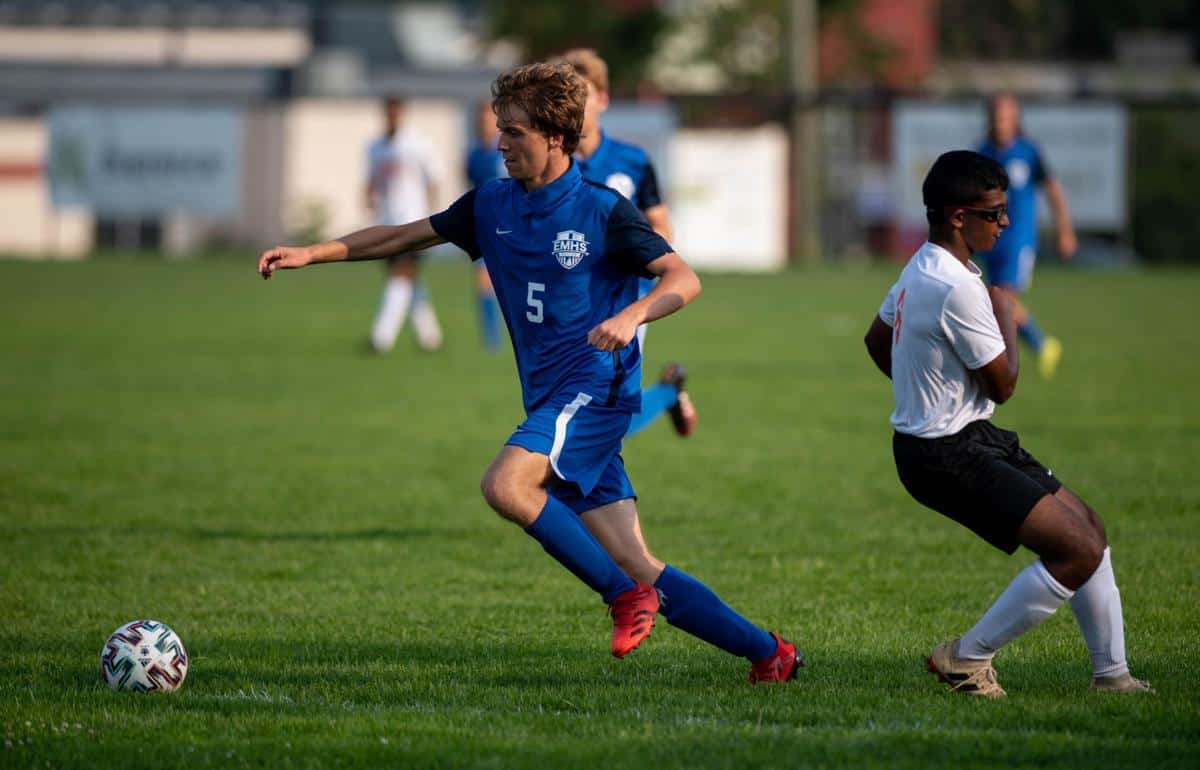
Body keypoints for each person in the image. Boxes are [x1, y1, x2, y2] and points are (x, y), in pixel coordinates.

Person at [258, 61, 802, 684]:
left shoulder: (604, 211)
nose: (500, 144)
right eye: (499, 129)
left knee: (506, 486)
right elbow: (404, 237)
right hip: (556, 396)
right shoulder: (492, 204)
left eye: (513, 132)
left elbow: (685, 279)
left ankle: (622, 598)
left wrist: (632, 315)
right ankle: (770, 653)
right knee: (639, 561)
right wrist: (313, 252)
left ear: (554, 136)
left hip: (596, 392)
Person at [863, 150, 1149, 697]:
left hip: (966, 437)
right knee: (1075, 549)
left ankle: (1112, 677)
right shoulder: (959, 288)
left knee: (1090, 531)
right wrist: (1007, 315)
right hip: (943, 454)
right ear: (957, 217)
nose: (1006, 223)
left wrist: (922, 388)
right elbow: (1004, 385)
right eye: (994, 213)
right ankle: (966, 657)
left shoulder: (925, 265)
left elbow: (878, 340)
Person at [563, 48, 696, 439]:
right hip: (569, 297)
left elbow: (661, 226)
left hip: (625, 298)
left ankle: (666, 394)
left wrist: (638, 253)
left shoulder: (632, 161)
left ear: (603, 99)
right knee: (588, 411)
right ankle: (668, 394)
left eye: (582, 94)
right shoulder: (554, 164)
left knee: (605, 418)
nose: (575, 106)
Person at [976, 93, 1077, 379]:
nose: (1001, 122)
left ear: (1015, 119)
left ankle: (1037, 347)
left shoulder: (1028, 152)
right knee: (996, 303)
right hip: (989, 242)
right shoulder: (982, 153)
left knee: (1005, 300)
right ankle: (1031, 348)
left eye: (1006, 116)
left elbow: (1053, 191)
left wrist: (1065, 231)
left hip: (1018, 240)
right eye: (996, 116)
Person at [366, 96, 444, 353]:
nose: (392, 117)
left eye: (396, 113)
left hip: (413, 222)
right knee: (408, 279)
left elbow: (434, 179)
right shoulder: (376, 146)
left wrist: (432, 218)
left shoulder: (417, 143)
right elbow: (372, 180)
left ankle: (381, 338)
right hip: (387, 222)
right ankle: (430, 337)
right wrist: (369, 201)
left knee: (400, 274)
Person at [465, 100, 506, 352]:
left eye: (488, 118)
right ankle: (492, 338)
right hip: (486, 225)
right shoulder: (473, 154)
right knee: (483, 280)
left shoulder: (506, 150)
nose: (484, 123)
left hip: (512, 224)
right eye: (480, 119)